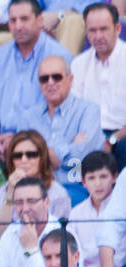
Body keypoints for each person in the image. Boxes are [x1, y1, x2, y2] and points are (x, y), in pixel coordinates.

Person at [0, 0, 72, 154]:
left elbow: (60, 111)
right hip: (2, 144)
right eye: (13, 20)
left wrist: (19, 141)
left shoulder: (59, 57)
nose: (18, 26)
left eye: (24, 19)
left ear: (40, 20)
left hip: (43, 144)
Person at [16, 55, 104, 199]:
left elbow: (86, 156)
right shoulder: (28, 117)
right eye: (44, 78)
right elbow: (23, 157)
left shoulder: (89, 111)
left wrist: (43, 154)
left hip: (76, 187)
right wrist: (69, 147)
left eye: (57, 77)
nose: (50, 82)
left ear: (70, 80)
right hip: (36, 189)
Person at [0, 129, 71, 244]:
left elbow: (59, 238)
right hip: (11, 251)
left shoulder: (57, 193)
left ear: (42, 157)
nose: (24, 160)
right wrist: (11, 191)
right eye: (17, 156)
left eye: (31, 155)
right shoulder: (5, 190)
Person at [71, 2, 126, 171]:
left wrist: (112, 140)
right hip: (91, 135)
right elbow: (75, 109)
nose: (98, 36)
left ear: (117, 28)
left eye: (104, 29)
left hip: (122, 135)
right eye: (92, 30)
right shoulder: (78, 63)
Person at [0, 176, 58, 267]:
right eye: (19, 202)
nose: (25, 209)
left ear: (46, 202)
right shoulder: (10, 233)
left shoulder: (62, 232)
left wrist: (30, 250)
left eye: (31, 201)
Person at [68, 151, 116, 267]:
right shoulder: (76, 213)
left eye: (103, 176)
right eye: (91, 178)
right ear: (84, 182)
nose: (98, 183)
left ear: (114, 177)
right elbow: (72, 250)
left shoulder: (121, 209)